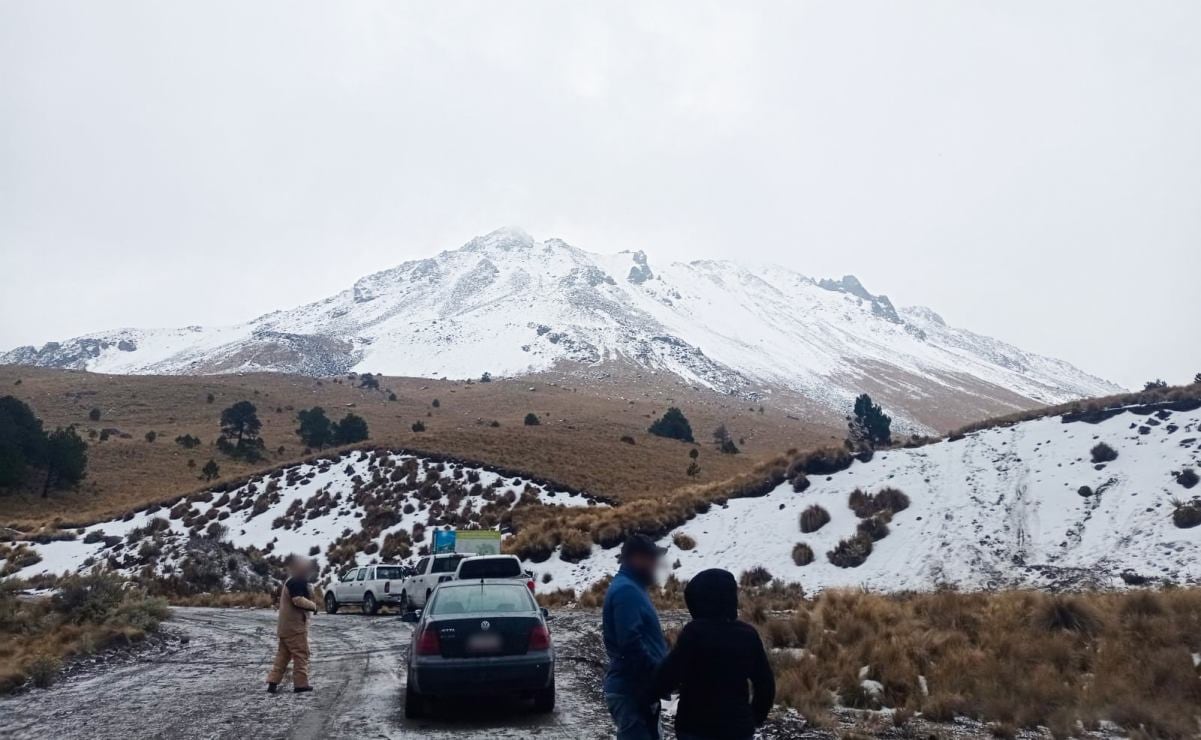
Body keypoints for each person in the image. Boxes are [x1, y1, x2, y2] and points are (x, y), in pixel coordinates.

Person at [652, 568, 775, 740]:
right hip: (737, 728)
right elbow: (765, 685)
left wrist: (650, 693)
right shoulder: (748, 634)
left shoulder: (694, 633)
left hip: (696, 727)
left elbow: (668, 675)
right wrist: (753, 718)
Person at [602, 533, 669, 740]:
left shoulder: (632, 587)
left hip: (635, 689)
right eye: (651, 558)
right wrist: (655, 675)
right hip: (632, 690)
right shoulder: (627, 591)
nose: (656, 563)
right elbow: (630, 644)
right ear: (637, 558)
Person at [266, 555, 319, 694]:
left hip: (284, 627)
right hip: (294, 628)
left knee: (282, 656)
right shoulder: (297, 582)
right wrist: (313, 606)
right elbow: (298, 600)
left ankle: (273, 682)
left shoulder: (291, 581)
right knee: (302, 654)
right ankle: (301, 685)